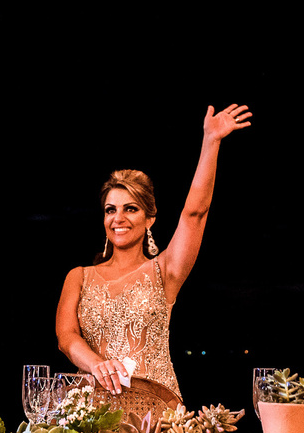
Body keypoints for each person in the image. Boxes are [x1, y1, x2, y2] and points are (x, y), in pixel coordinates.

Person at [55, 103, 253, 403]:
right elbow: (66, 337)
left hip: (156, 410)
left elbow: (195, 214)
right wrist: (96, 365)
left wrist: (211, 141)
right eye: (110, 210)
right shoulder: (79, 277)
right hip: (92, 412)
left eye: (130, 209)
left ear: (149, 219)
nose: (118, 218)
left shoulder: (165, 270)